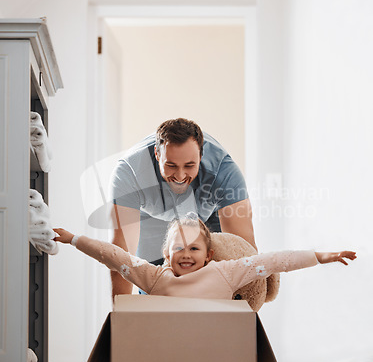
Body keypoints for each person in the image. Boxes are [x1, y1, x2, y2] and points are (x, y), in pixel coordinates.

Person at [109, 118, 257, 298]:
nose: (180, 175)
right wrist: (120, 315)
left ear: (201, 156)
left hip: (208, 214)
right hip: (153, 218)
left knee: (220, 275)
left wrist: (244, 316)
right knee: (152, 285)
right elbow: (121, 254)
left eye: (189, 166)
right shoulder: (129, 172)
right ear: (157, 154)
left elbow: (244, 251)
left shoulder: (224, 172)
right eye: (171, 165)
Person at [53, 216, 356, 300]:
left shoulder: (226, 272)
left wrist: (319, 256)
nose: (185, 254)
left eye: (194, 248)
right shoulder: (155, 277)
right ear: (165, 255)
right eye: (178, 248)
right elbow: (115, 256)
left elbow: (275, 261)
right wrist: (75, 239)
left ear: (209, 255)